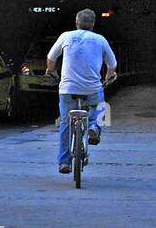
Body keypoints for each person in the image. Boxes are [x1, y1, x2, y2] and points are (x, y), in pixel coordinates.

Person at [47, 9, 118, 174]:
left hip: (67, 89)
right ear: (93, 24)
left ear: (76, 23)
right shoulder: (100, 40)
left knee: (65, 122)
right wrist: (107, 78)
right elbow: (112, 65)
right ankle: (95, 127)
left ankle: (64, 162)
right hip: (92, 88)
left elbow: (51, 58)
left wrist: (52, 71)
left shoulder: (66, 36)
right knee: (102, 108)